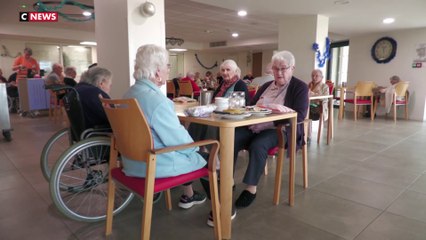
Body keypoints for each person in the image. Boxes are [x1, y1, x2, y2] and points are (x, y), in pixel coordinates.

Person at [122, 44, 207, 210]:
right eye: (167, 66)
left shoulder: (128, 94)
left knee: (189, 150)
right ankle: (221, 209)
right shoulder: (158, 101)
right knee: (210, 157)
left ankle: (189, 195)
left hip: (131, 163)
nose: (169, 70)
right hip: (154, 164)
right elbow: (179, 141)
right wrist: (200, 150)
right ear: (157, 72)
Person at [233, 50, 309, 209]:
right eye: (275, 68)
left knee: (258, 145)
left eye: (283, 68)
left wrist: (272, 117)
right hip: (255, 125)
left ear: (292, 68)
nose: (279, 72)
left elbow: (300, 115)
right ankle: (228, 180)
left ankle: (251, 188)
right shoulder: (266, 85)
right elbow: (251, 105)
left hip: (280, 129)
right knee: (232, 137)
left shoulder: (300, 87)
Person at [188, 59, 249, 141]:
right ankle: (193, 147)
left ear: (235, 71)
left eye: (228, 70)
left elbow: (243, 106)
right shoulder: (223, 84)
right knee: (196, 121)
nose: (225, 72)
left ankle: (212, 149)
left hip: (230, 117)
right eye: (223, 70)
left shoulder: (240, 84)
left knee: (207, 125)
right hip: (216, 113)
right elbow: (214, 99)